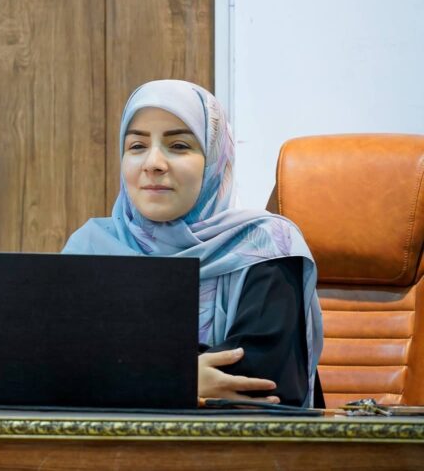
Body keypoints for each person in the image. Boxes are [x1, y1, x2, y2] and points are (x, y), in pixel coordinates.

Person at [63, 79, 323, 407]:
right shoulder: (90, 248)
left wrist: (126, 377)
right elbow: (55, 367)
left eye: (179, 145)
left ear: (214, 159)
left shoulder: (266, 246)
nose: (153, 163)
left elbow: (262, 379)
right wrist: (180, 378)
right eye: (137, 146)